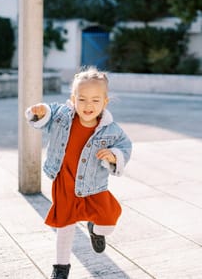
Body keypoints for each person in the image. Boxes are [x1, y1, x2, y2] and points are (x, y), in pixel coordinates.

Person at [25, 67, 132, 279]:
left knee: (108, 222)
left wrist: (114, 155)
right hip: (65, 182)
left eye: (95, 100)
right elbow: (47, 113)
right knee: (65, 227)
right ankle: (60, 267)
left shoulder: (111, 130)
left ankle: (96, 229)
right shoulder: (63, 117)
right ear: (73, 99)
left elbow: (125, 145)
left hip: (93, 185)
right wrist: (39, 112)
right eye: (82, 99)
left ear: (105, 102)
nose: (88, 106)